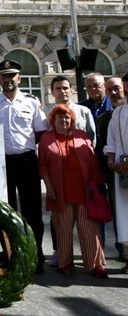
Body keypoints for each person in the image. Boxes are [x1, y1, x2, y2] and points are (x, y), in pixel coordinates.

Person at [0, 59, 47, 273]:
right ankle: (10, 254)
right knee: (5, 212)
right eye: (4, 76)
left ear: (19, 77)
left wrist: (25, 146)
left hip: (27, 160)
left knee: (32, 211)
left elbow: (40, 131)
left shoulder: (31, 102)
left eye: (12, 75)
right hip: (2, 164)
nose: (8, 80)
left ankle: (35, 256)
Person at [38, 104, 107, 278]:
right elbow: (43, 167)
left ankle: (95, 264)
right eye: (59, 117)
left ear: (72, 120)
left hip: (85, 192)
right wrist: (49, 188)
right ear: (53, 121)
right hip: (60, 193)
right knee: (63, 229)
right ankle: (65, 262)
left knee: (89, 229)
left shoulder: (82, 136)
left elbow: (93, 163)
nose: (64, 120)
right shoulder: (46, 139)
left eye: (67, 117)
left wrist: (96, 187)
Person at [96, 76, 125, 260]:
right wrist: (111, 161)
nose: (114, 93)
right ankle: (124, 252)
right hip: (117, 172)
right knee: (120, 213)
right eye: (110, 90)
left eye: (118, 89)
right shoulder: (105, 117)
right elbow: (107, 143)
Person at [104, 93, 128, 274]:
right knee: (125, 215)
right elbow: (111, 141)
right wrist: (111, 160)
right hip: (121, 170)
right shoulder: (118, 112)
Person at [44, 75, 96, 145]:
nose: (62, 91)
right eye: (58, 88)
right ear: (52, 92)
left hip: (79, 152)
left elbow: (91, 136)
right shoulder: (45, 113)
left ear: (71, 91)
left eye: (65, 88)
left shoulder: (84, 111)